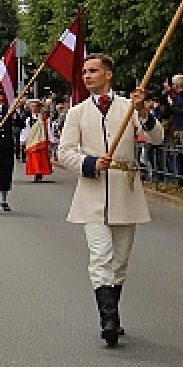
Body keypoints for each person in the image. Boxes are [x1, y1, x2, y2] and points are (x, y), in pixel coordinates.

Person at [55, 54, 164, 347]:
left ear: (108, 74)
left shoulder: (129, 107)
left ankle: (113, 310)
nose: (87, 76)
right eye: (85, 72)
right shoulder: (77, 112)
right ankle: (108, 320)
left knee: (120, 261)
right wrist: (90, 163)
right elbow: (64, 152)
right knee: (100, 256)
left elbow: (156, 138)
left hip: (124, 191)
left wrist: (143, 111)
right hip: (92, 193)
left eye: (93, 71)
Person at [23, 100, 55, 182]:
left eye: (35, 106)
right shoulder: (28, 119)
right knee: (34, 158)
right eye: (32, 106)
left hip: (41, 140)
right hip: (32, 140)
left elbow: (48, 129)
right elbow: (26, 130)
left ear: (39, 107)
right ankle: (36, 172)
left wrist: (51, 139)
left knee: (41, 158)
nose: (34, 108)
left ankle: (40, 173)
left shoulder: (44, 118)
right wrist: (23, 140)